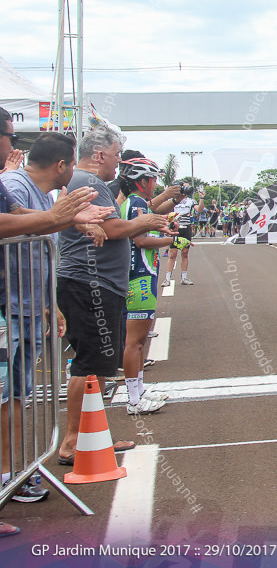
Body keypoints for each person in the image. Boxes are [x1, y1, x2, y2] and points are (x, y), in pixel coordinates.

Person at [0, 131, 112, 507]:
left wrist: (50, 303)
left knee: (19, 392)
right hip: (13, 305)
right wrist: (67, 218)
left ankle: (15, 470)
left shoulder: (31, 188)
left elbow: (30, 222)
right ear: (61, 165)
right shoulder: (14, 181)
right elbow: (14, 220)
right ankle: (7, 474)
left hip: (29, 301)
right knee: (11, 394)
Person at [55, 122, 173, 466]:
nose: (118, 163)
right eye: (117, 155)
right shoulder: (88, 181)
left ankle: (91, 436)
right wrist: (146, 222)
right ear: (100, 154)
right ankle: (73, 442)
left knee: (97, 364)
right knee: (90, 364)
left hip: (95, 283)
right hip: (90, 283)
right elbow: (113, 228)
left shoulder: (90, 182)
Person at [116, 155, 175, 414]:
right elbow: (140, 240)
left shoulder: (133, 202)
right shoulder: (137, 202)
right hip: (140, 275)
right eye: (152, 179)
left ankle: (138, 390)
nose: (154, 184)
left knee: (139, 341)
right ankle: (133, 399)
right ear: (143, 181)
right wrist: (171, 242)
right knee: (136, 342)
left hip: (141, 273)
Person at [161, 182, 203, 286]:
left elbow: (199, 209)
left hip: (186, 228)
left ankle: (184, 278)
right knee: (173, 254)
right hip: (176, 228)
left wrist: (201, 198)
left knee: (185, 253)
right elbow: (166, 213)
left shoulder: (191, 201)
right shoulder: (173, 200)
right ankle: (167, 279)